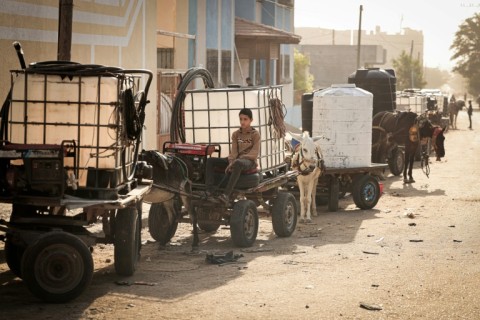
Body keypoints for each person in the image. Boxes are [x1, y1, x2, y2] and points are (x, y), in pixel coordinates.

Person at [205, 108, 260, 204]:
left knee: (238, 162)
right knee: (210, 161)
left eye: (245, 119)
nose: (242, 122)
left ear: (251, 120)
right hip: (235, 159)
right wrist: (231, 162)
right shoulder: (236, 134)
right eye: (241, 119)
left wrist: (238, 160)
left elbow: (254, 153)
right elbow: (233, 151)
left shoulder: (255, 134)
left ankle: (226, 195)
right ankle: (209, 190)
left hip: (249, 161)